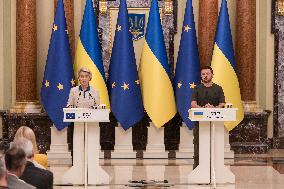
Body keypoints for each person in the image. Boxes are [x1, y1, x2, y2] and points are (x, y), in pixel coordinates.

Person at [191, 66, 225, 169]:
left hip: (215, 122)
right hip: (199, 123)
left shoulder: (218, 88)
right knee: (198, 145)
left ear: (212, 75)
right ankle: (198, 168)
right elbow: (193, 104)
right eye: (203, 74)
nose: (205, 76)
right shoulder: (197, 88)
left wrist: (213, 108)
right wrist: (203, 109)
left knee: (215, 146)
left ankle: (215, 168)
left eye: (207, 74)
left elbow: (222, 104)